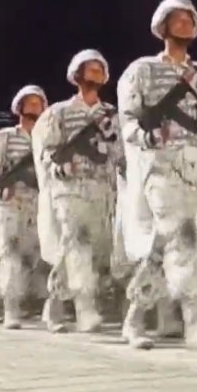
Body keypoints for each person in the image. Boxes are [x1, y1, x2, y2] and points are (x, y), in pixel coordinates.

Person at [118, 0, 197, 350]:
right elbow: (127, 120)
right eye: (176, 19)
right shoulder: (142, 70)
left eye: (189, 19)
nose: (184, 24)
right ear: (162, 26)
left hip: (195, 165)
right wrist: (149, 137)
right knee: (182, 236)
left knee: (166, 242)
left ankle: (135, 316)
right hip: (160, 165)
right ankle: (195, 319)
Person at [36, 50, 123, 334]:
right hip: (70, 189)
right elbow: (47, 151)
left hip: (101, 188)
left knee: (90, 249)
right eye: (91, 69)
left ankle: (54, 303)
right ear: (78, 74)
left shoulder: (111, 115)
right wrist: (62, 168)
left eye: (100, 70)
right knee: (78, 243)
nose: (96, 74)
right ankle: (86, 308)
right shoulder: (58, 112)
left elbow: (120, 152)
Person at [0, 85, 48, 330]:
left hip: (36, 204)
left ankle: (0, 300)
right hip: (9, 202)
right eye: (30, 103)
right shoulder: (4, 137)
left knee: (31, 258)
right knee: (11, 253)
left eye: (39, 103)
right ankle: (11, 308)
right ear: (19, 108)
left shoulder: (46, 137)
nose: (35, 107)